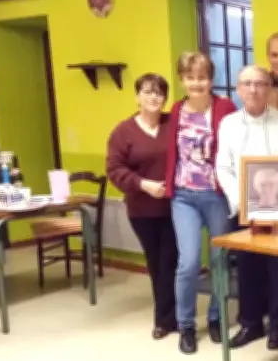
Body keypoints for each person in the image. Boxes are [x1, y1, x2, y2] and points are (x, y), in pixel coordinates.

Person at [215, 65, 278, 351]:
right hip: (245, 209)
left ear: (269, 88)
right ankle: (250, 323)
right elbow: (223, 166)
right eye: (247, 84)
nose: (253, 90)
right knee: (248, 267)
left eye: (260, 84)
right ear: (238, 89)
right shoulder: (228, 123)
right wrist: (241, 202)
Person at [164, 52, 237, 354]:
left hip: (217, 194)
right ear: (182, 79)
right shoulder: (176, 110)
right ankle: (186, 325)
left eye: (202, 77)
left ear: (211, 79)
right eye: (190, 77)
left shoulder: (225, 107)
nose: (197, 83)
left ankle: (217, 317)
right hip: (184, 196)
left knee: (220, 260)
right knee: (189, 262)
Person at [106, 73, 178, 340]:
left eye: (159, 92)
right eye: (147, 92)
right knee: (157, 264)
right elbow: (114, 169)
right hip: (143, 210)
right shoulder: (123, 132)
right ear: (137, 97)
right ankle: (164, 320)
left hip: (176, 207)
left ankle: (172, 316)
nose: (153, 97)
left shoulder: (173, 124)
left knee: (172, 262)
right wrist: (143, 184)